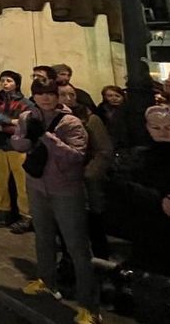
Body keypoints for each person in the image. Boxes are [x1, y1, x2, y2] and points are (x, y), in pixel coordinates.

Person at [11, 81, 99, 324]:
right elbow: (18, 142)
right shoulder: (27, 117)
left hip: (65, 189)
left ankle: (89, 306)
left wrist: (46, 137)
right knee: (43, 236)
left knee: (77, 246)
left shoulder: (70, 122)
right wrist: (26, 139)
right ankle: (47, 281)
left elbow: (75, 156)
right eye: (40, 94)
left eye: (50, 94)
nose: (46, 98)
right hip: (37, 184)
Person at [110, 105, 170, 279]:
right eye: (156, 127)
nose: (163, 133)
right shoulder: (138, 156)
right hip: (151, 229)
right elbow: (123, 186)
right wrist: (159, 201)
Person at [59, 83, 113, 259]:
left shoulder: (90, 119)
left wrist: (89, 174)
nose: (68, 99)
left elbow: (104, 150)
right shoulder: (53, 118)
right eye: (63, 95)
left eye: (72, 94)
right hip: (62, 181)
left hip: (85, 180)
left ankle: (101, 261)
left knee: (93, 225)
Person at [0, 70, 35, 233]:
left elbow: (26, 122)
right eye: (3, 80)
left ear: (16, 83)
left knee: (22, 183)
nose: (5, 83)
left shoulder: (26, 103)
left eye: (9, 80)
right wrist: (10, 121)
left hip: (17, 146)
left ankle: (26, 215)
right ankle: (2, 210)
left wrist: (4, 125)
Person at [96, 85, 132, 151]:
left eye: (117, 96)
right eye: (110, 96)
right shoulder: (100, 111)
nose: (114, 98)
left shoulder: (129, 110)